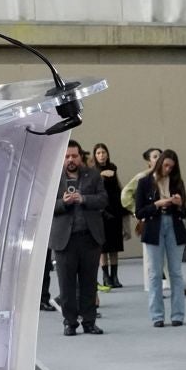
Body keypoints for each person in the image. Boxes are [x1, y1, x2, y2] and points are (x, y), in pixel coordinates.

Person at [53, 140, 108, 336]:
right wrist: (63, 202)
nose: (70, 160)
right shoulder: (53, 178)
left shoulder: (92, 175)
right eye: (67, 156)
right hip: (64, 240)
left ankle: (89, 321)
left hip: (89, 238)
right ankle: (70, 322)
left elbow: (103, 199)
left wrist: (83, 198)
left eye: (74, 156)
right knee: (66, 285)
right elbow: (45, 207)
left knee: (89, 282)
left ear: (81, 157)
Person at [136, 149, 186, 327]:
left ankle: (178, 315)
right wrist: (157, 204)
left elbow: (185, 212)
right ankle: (157, 315)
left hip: (174, 225)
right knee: (154, 273)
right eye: (165, 165)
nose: (168, 170)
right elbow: (139, 211)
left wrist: (179, 204)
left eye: (171, 167)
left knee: (175, 272)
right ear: (159, 164)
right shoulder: (144, 182)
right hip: (153, 226)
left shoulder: (177, 182)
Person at [90, 143, 125, 291]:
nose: (101, 155)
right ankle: (105, 277)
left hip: (115, 209)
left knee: (115, 246)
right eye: (98, 153)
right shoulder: (93, 172)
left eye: (103, 152)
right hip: (101, 212)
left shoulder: (113, 168)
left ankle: (115, 276)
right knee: (103, 247)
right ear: (95, 155)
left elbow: (117, 187)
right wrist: (101, 175)